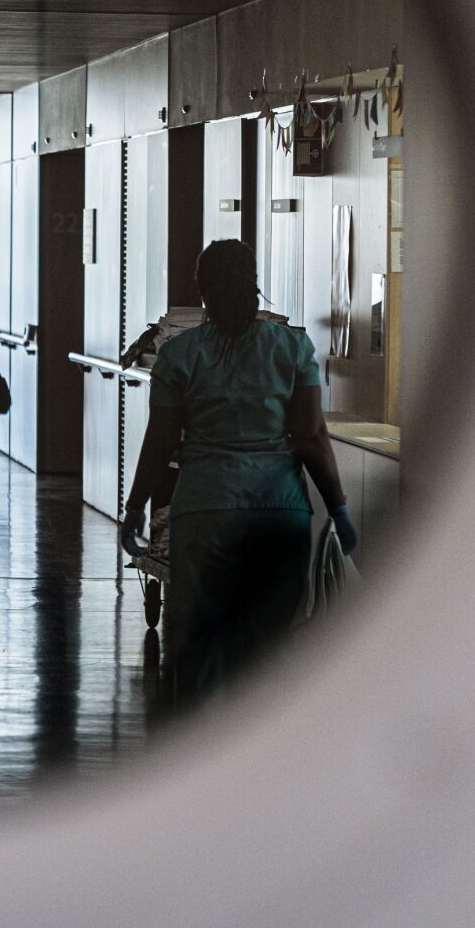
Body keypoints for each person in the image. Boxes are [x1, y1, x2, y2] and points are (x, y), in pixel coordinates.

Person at [121, 238, 357, 701]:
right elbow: (311, 436)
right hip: (279, 514)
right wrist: (339, 507)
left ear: (202, 291)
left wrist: (134, 508)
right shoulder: (293, 347)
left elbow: (160, 441)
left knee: (203, 651)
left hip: (205, 512)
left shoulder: (180, 355)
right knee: (271, 654)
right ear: (253, 283)